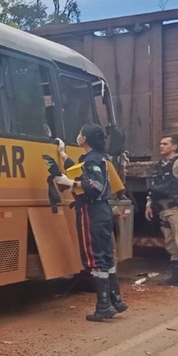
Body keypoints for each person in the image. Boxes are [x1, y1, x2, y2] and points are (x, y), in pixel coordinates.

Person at [59, 123, 127, 321]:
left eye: (80, 133)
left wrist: (70, 183)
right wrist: (63, 156)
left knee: (95, 258)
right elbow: (79, 171)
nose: (78, 136)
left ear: (85, 138)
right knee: (105, 257)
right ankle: (116, 300)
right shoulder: (96, 159)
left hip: (92, 211)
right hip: (102, 211)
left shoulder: (92, 160)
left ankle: (104, 307)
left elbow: (95, 186)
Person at [145, 135, 178, 290]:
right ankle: (177, 276)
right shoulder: (160, 166)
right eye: (160, 143)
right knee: (171, 244)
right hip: (163, 210)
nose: (161, 146)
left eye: (165, 144)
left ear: (174, 147)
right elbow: (154, 188)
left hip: (177, 209)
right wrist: (149, 204)